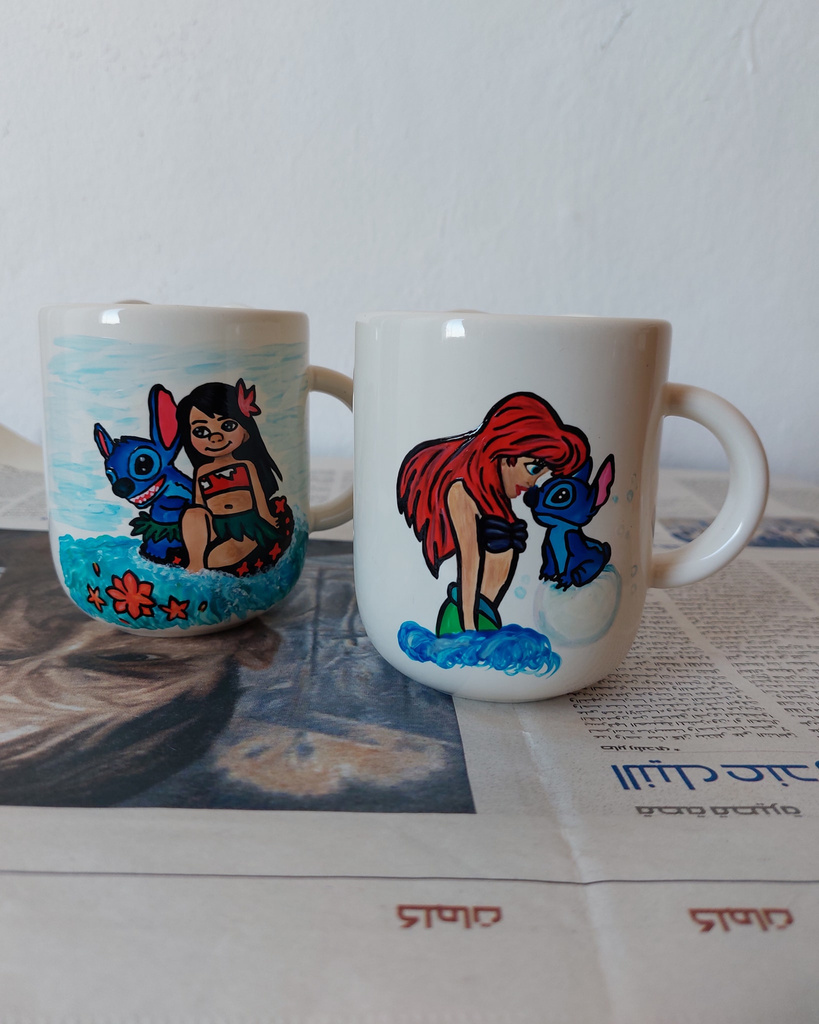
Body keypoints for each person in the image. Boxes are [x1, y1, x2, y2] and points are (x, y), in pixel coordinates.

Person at [396, 391, 590, 634]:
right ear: (506, 454)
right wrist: (469, 631)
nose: (532, 483)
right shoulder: (461, 493)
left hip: (486, 616)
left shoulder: (496, 500)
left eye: (541, 474)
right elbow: (468, 565)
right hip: (463, 619)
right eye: (533, 468)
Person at [176, 379, 293, 575]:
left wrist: (268, 519)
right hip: (217, 526)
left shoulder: (245, 466)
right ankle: (194, 565)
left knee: (219, 557)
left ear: (245, 431)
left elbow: (258, 496)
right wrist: (202, 530)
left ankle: (204, 562)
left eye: (228, 425)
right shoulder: (202, 471)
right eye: (201, 431)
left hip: (247, 524)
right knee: (193, 513)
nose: (215, 437)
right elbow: (200, 503)